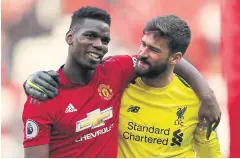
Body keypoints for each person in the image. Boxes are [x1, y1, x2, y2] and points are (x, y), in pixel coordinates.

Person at [22, 6, 220, 158]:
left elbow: (162, 59)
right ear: (69, 37)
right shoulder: (44, 95)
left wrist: (206, 94)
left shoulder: (116, 70)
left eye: (105, 40)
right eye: (90, 36)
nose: (98, 45)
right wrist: (30, 80)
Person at [117, 15, 222, 158]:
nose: (142, 53)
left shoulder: (196, 100)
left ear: (176, 58)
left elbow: (209, 153)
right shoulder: (120, 88)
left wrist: (207, 96)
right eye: (143, 44)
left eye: (154, 50)